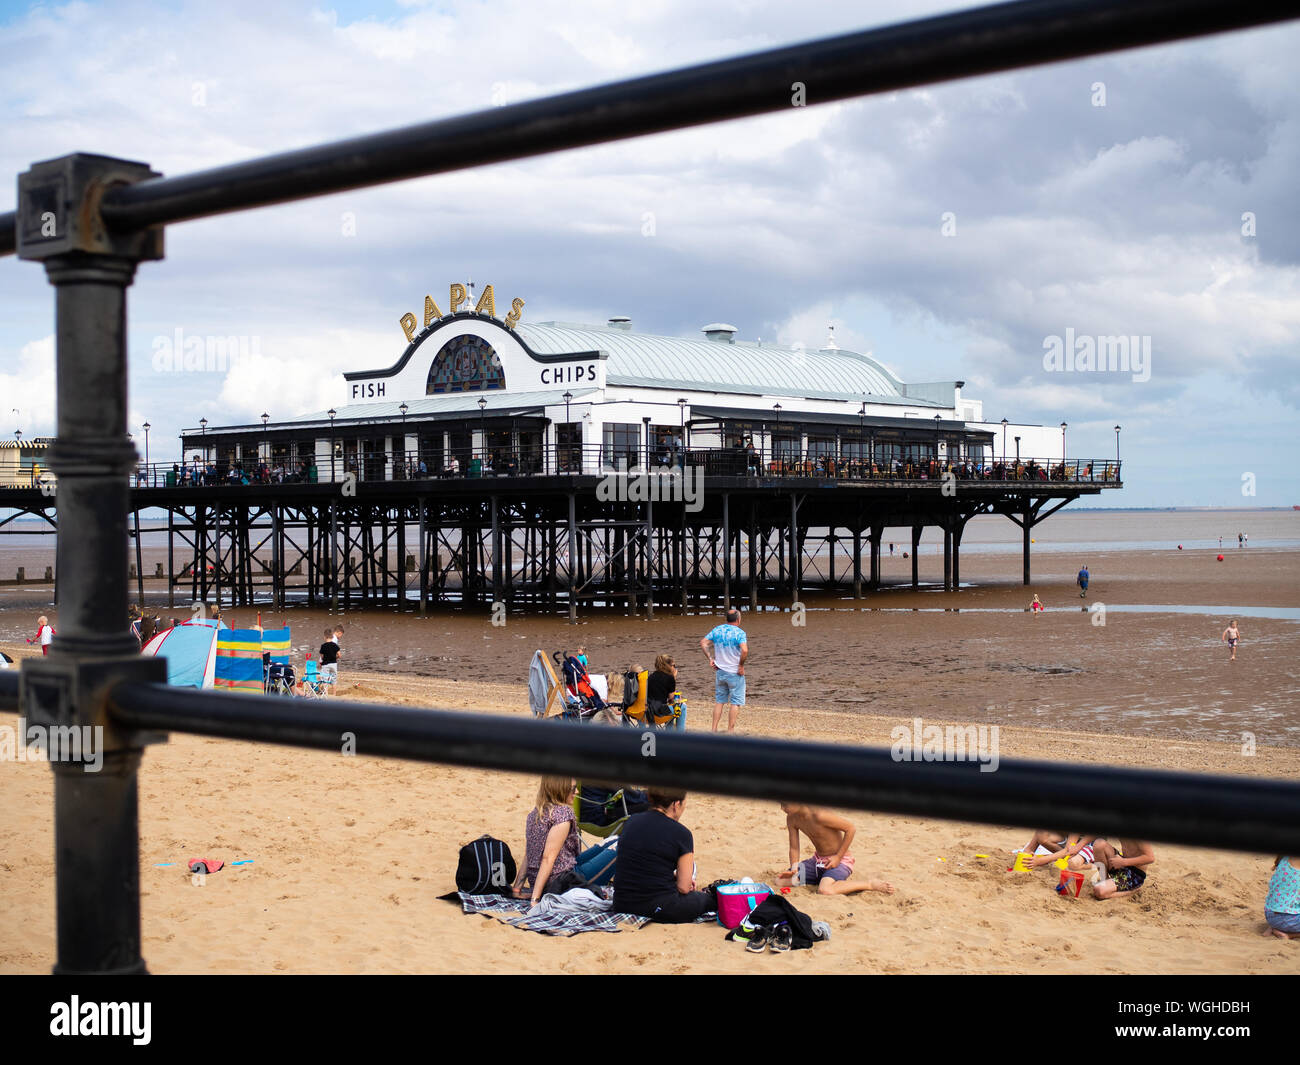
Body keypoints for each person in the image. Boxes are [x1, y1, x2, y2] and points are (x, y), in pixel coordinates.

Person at [612, 788, 714, 922]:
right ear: (676, 804)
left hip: (622, 903)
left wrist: (673, 877)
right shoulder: (682, 833)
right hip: (656, 906)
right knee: (707, 899)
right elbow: (683, 888)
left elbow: (643, 864)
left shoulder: (631, 821)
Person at [775, 803, 894, 895]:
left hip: (840, 861)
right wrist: (794, 868)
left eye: (785, 803)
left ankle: (869, 884)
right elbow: (794, 847)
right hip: (817, 862)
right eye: (780, 803)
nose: (782, 808)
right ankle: (824, 879)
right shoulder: (792, 819)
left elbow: (850, 828)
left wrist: (838, 857)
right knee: (780, 881)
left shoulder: (819, 815)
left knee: (825, 891)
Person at [511, 776, 582, 906]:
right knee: (615, 850)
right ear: (559, 790)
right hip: (561, 880)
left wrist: (517, 888)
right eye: (572, 789)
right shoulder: (563, 815)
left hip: (553, 874)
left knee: (605, 846)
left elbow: (529, 853)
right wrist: (535, 900)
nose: (576, 792)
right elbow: (548, 858)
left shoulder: (535, 814)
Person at [701, 607, 748, 732]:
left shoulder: (717, 630)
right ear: (738, 619)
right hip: (735, 672)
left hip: (720, 671)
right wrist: (741, 666)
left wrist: (710, 658)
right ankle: (730, 730)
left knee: (719, 701)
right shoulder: (740, 633)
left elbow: (703, 643)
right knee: (735, 702)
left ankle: (714, 729)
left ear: (726, 619)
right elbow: (744, 650)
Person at [1265, 856, 1300, 940]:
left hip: (1270, 914)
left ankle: (1274, 926)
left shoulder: (1284, 858)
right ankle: (1289, 935)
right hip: (1286, 918)